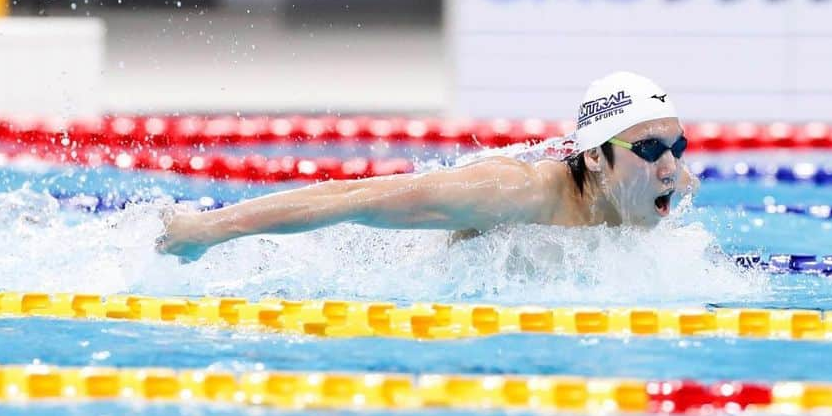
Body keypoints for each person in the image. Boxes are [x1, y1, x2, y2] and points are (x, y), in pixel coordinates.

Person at [156, 71, 699, 261]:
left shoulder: (664, 191)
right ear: (595, 159)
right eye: (649, 149)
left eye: (677, 146)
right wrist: (206, 228)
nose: (670, 167)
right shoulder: (512, 191)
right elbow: (351, 199)